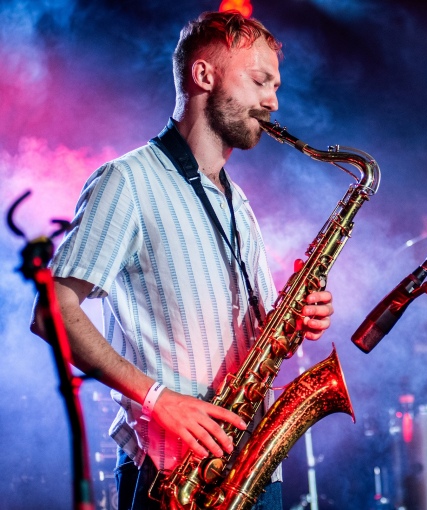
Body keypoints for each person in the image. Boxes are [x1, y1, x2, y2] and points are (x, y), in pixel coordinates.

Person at [30, 11, 334, 510]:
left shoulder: (238, 202)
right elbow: (52, 312)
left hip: (253, 470)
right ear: (204, 75)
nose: (273, 101)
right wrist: (157, 400)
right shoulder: (128, 181)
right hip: (176, 478)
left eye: (275, 86)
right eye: (259, 80)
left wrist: (293, 319)